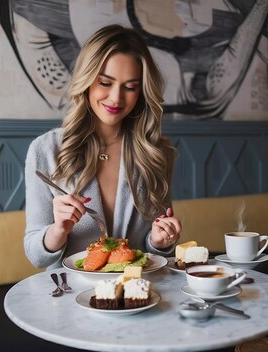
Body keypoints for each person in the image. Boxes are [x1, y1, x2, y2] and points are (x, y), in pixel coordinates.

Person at [24, 25, 182, 269]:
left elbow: (153, 249)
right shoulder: (45, 150)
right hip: (68, 296)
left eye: (130, 87)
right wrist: (58, 230)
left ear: (141, 92)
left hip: (136, 295)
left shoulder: (156, 153)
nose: (116, 98)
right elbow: (36, 256)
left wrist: (160, 241)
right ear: (86, 81)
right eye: (105, 83)